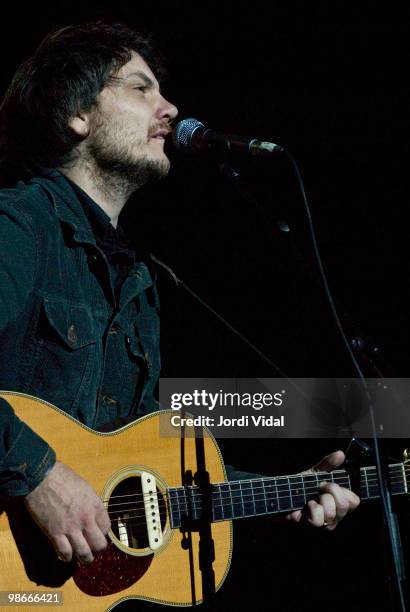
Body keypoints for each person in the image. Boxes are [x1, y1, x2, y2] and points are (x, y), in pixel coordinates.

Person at [0, 21, 359, 568]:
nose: (170, 109)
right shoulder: (19, 226)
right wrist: (38, 473)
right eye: (140, 88)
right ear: (77, 114)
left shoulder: (141, 281)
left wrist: (292, 489)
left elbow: (147, 468)